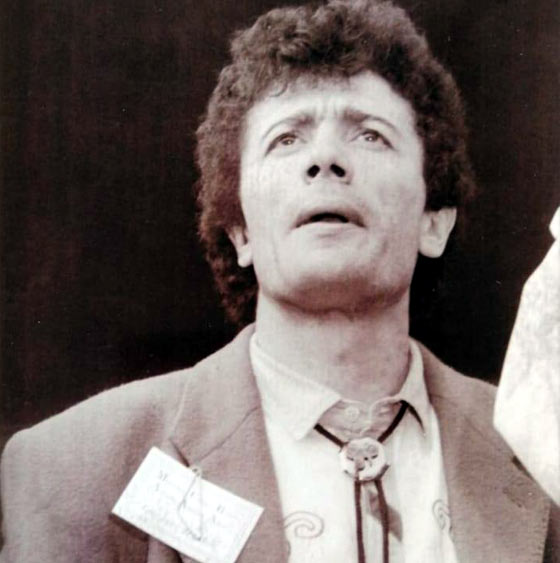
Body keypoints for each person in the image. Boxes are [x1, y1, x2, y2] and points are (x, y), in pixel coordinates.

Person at [0, 1, 557, 562]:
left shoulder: (543, 452)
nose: (326, 158)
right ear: (239, 230)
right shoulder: (76, 465)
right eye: (286, 139)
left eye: (370, 135)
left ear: (434, 222)